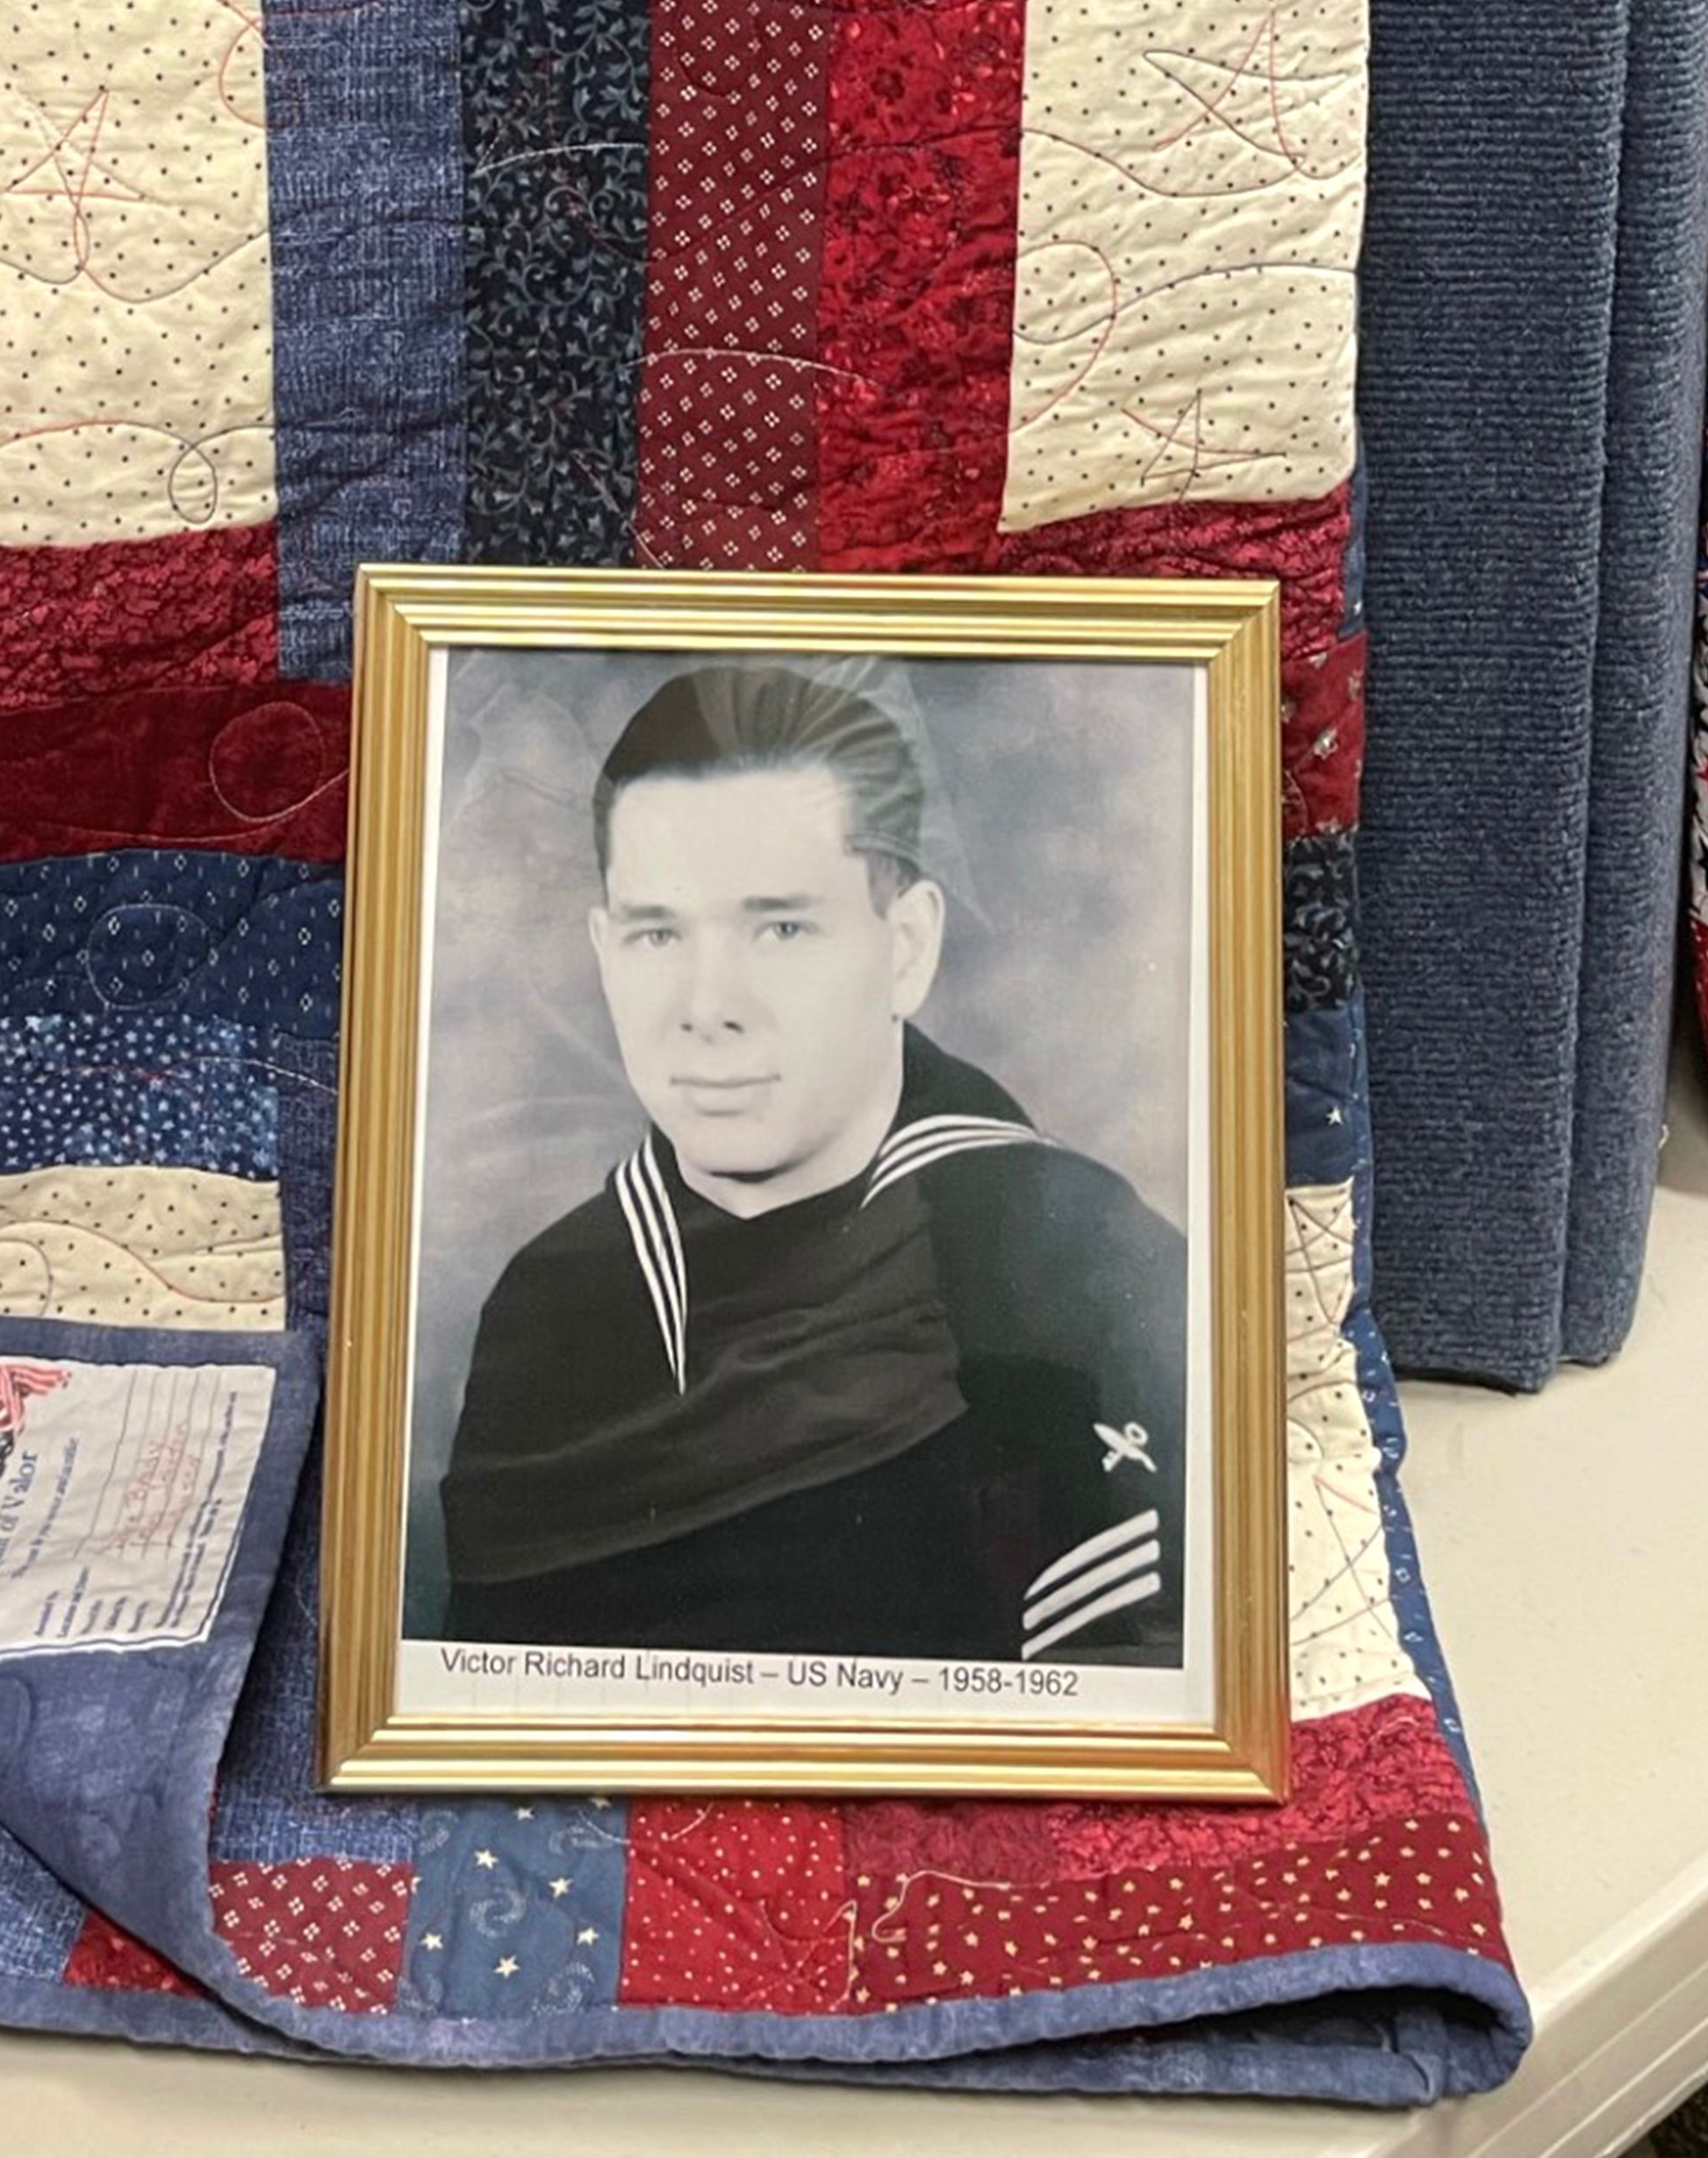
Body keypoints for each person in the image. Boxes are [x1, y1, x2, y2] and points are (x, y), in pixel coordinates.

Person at [439, 664, 1190, 1665]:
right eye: (658, 931)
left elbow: (1132, 1691)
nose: (709, 1005)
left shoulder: (1082, 1263)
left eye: (782, 927)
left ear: (907, 947)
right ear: (604, 951)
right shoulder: (547, 1306)